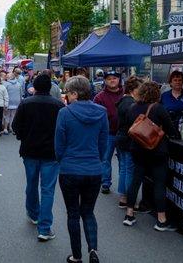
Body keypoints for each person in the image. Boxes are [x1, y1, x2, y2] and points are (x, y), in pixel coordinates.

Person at [55, 76, 108, 263]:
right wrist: (97, 160)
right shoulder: (102, 112)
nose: (66, 97)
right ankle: (93, 250)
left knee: (73, 213)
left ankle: (76, 255)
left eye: (68, 93)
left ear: (75, 93)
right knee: (88, 211)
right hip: (93, 169)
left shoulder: (65, 113)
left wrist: (62, 160)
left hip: (70, 168)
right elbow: (103, 143)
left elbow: (59, 144)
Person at [12, 73, 64, 241]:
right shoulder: (58, 105)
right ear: (50, 87)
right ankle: (44, 227)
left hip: (30, 150)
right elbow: (63, 129)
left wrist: (23, 137)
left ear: (34, 86)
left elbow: (16, 126)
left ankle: (33, 213)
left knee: (32, 183)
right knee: (48, 190)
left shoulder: (26, 103)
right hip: (51, 152)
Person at [122, 81, 178, 231]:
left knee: (135, 180)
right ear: (156, 94)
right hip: (157, 150)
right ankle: (161, 219)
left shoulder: (132, 108)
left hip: (137, 149)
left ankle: (129, 214)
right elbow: (171, 130)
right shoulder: (159, 109)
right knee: (159, 183)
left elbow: (129, 128)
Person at [93, 70, 124, 194]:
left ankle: (123, 184)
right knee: (106, 158)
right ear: (105, 81)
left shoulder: (126, 94)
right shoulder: (99, 96)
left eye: (115, 78)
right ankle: (105, 182)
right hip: (107, 133)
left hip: (123, 133)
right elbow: (95, 114)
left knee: (123, 160)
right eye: (109, 78)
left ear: (119, 80)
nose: (112, 80)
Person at [115, 75, 143, 208]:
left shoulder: (122, 100)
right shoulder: (130, 104)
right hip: (128, 139)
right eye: (140, 88)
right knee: (129, 169)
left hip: (121, 137)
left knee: (124, 169)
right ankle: (131, 200)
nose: (141, 91)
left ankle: (123, 197)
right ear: (134, 89)